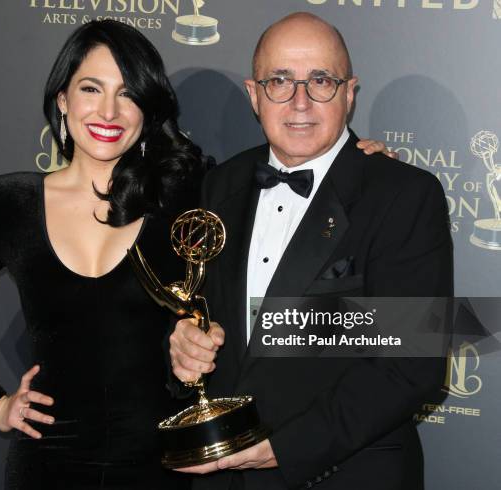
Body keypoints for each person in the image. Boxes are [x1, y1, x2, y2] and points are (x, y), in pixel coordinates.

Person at [0, 18, 394, 490]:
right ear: (62, 99)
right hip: (45, 464)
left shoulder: (190, 193)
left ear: (147, 110)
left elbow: (296, 176)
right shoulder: (11, 204)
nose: (108, 112)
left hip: (165, 463)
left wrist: (352, 164)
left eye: (128, 93)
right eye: (91, 89)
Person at [168, 12, 453, 490]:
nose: (300, 100)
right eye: (279, 80)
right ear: (254, 94)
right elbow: (208, 318)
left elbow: (412, 364)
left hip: (345, 473)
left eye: (320, 80)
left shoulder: (404, 194)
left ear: (349, 92)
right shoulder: (220, 185)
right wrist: (183, 349)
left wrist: (286, 448)